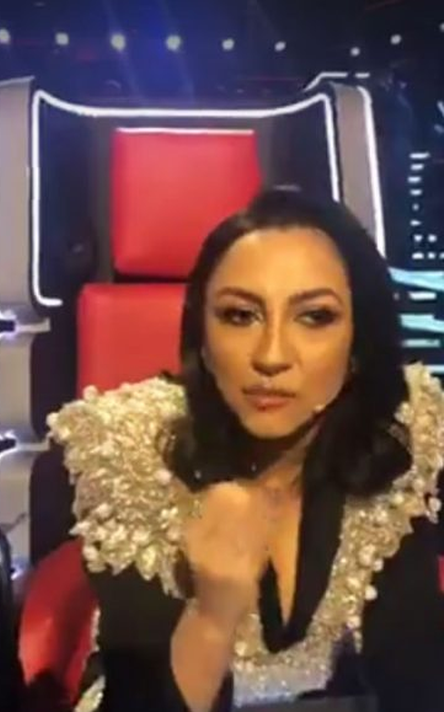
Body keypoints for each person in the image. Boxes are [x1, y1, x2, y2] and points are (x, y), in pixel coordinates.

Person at [48, 189, 444, 712]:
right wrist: (212, 616)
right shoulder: (127, 446)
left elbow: (412, 672)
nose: (271, 356)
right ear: (202, 339)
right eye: (239, 315)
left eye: (314, 317)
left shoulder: (401, 433)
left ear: (358, 344)